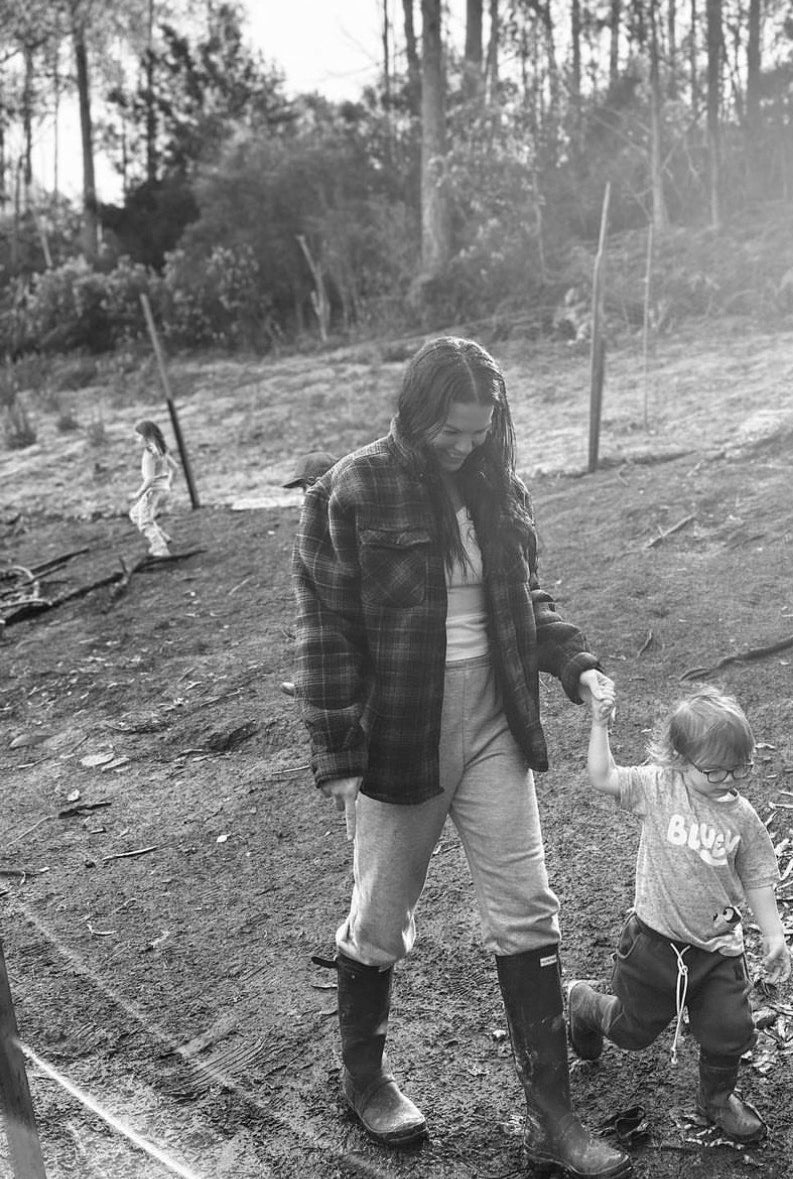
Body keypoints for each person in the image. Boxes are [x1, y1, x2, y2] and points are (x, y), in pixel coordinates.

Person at [291, 336, 631, 1179]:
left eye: (478, 432)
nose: (463, 445)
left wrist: (576, 663)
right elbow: (324, 629)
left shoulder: (497, 484)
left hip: (492, 724)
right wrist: (338, 752)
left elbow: (525, 601)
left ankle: (551, 1120)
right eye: (449, 431)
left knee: (528, 907)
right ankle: (364, 1080)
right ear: (414, 412)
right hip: (402, 732)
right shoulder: (352, 488)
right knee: (379, 919)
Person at [568, 684, 791, 1145]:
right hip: (654, 943)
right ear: (678, 759)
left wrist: (773, 935)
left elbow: (757, 878)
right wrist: (599, 724)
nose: (727, 778)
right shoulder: (657, 787)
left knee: (731, 1029)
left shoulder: (742, 818)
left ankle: (715, 1101)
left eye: (738, 767)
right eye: (713, 770)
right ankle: (583, 1005)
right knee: (632, 1032)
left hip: (717, 950)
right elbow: (602, 775)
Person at [281, 452, 337, 697]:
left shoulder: (334, 506)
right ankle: (311, 682)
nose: (304, 495)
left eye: (305, 487)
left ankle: (314, 686)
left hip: (337, 589)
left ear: (316, 482)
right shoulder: (321, 508)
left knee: (320, 628)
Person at [128, 419, 179, 559]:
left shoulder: (149, 455)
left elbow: (150, 479)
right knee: (135, 514)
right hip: (161, 490)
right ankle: (163, 537)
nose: (136, 439)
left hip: (151, 492)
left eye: (138, 435)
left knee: (144, 522)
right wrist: (168, 485)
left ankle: (160, 548)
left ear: (146, 436)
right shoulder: (160, 449)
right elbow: (175, 468)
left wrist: (137, 494)